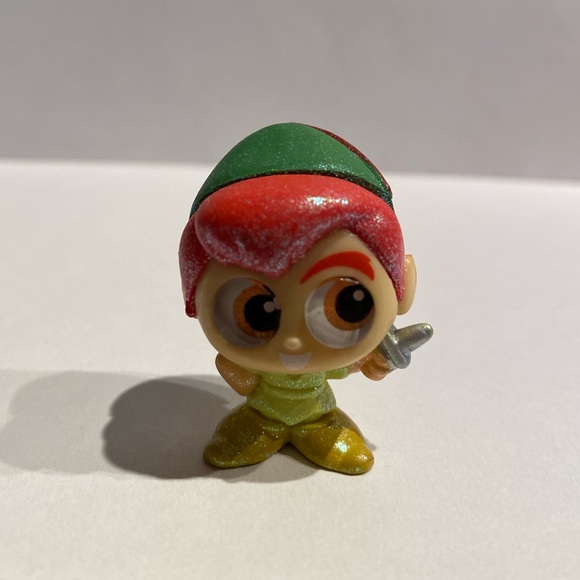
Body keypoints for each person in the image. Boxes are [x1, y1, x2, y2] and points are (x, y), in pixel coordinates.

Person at [179, 123, 416, 474]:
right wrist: (238, 369)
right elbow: (235, 373)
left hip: (319, 417)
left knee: (331, 435)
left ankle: (315, 433)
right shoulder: (254, 359)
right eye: (255, 312)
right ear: (194, 298)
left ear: (404, 286)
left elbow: (353, 366)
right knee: (243, 433)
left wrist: (372, 361)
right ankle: (260, 430)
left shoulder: (328, 361)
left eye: (345, 305)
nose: (292, 342)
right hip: (260, 415)